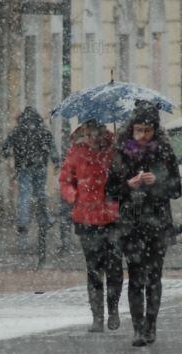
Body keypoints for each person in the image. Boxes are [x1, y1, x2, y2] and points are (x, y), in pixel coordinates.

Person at [106, 100, 182, 346]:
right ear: (132, 128)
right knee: (136, 277)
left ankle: (151, 325)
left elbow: (176, 188)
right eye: (139, 130)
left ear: (155, 130)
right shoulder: (121, 153)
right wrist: (128, 185)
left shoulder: (165, 152)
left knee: (154, 277)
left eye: (147, 130)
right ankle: (138, 329)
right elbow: (110, 190)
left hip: (158, 224)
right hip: (131, 224)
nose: (142, 135)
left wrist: (156, 181)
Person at [60, 120, 123, 332]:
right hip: (86, 217)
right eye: (89, 133)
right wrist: (74, 196)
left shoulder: (114, 149)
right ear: (84, 132)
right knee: (94, 269)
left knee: (114, 267)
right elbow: (65, 180)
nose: (93, 137)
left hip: (112, 216)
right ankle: (97, 316)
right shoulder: (76, 152)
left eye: (96, 132)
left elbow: (123, 176)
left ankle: (113, 311)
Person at [2, 107, 60, 254]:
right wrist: (56, 161)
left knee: (24, 195)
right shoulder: (43, 130)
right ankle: (46, 217)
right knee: (40, 193)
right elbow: (52, 147)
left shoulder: (17, 131)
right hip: (40, 166)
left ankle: (23, 221)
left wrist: (9, 154)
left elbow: (5, 148)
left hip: (23, 167)